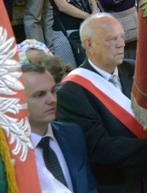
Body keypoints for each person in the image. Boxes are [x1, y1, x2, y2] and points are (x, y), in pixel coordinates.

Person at [56, 14, 147, 192]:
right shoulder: (70, 92)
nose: (122, 44)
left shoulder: (135, 69)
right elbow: (96, 146)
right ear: (89, 44)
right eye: (112, 39)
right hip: (117, 184)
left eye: (122, 37)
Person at [21, 63, 98, 193]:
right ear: (18, 101)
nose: (52, 100)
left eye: (53, 91)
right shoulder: (9, 150)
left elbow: (89, 186)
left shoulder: (72, 133)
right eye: (40, 95)